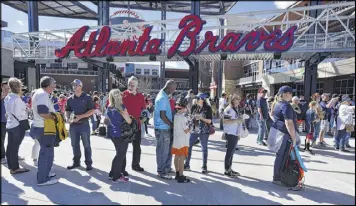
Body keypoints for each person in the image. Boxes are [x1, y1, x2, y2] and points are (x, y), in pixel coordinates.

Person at [30, 76, 58, 186]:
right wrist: (56, 117)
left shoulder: (41, 93)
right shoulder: (42, 95)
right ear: (48, 86)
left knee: (48, 152)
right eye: (53, 85)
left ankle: (46, 173)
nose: (54, 87)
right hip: (43, 128)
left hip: (41, 127)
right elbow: (43, 113)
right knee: (46, 153)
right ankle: (43, 179)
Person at [66, 79, 95, 171]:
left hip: (84, 124)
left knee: (86, 145)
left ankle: (88, 163)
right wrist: (68, 118)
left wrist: (80, 116)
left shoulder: (87, 97)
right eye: (73, 85)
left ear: (81, 86)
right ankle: (76, 162)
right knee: (74, 144)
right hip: (73, 125)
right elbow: (68, 110)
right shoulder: (70, 99)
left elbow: (91, 110)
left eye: (76, 85)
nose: (74, 87)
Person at [270, 86, 297, 186]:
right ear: (285, 94)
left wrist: (277, 123)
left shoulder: (277, 103)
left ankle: (277, 177)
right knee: (282, 156)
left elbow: (272, 114)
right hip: (284, 134)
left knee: (280, 156)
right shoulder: (286, 106)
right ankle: (277, 178)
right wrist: (294, 137)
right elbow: (289, 122)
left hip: (278, 132)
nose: (292, 95)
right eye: (291, 93)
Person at [105, 89, 132, 183]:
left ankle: (112, 174)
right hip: (122, 135)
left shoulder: (109, 107)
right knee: (120, 155)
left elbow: (107, 120)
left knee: (118, 154)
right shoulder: (121, 107)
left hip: (113, 134)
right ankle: (116, 176)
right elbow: (129, 121)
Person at [4, 78, 30, 175]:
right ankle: (15, 168)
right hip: (18, 125)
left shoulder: (8, 97)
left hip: (10, 124)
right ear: (18, 87)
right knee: (15, 147)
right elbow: (20, 114)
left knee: (10, 146)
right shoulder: (17, 99)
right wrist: (27, 110)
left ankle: (11, 166)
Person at [122, 76, 147, 172]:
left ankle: (135, 165)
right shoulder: (123, 95)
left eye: (132, 85)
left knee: (137, 147)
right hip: (125, 126)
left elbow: (144, 111)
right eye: (129, 84)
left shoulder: (141, 96)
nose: (130, 86)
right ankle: (122, 168)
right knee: (123, 148)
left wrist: (142, 120)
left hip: (137, 126)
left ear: (136, 86)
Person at [184, 93, 213, 174]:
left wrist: (201, 118)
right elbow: (191, 117)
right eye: (196, 98)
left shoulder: (208, 108)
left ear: (202, 99)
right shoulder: (194, 107)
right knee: (189, 146)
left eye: (198, 98)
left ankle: (204, 166)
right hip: (194, 130)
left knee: (204, 148)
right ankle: (187, 164)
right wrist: (190, 117)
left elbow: (210, 121)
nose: (196, 99)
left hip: (204, 131)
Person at [154, 80, 177, 180]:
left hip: (164, 128)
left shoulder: (163, 95)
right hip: (163, 128)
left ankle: (166, 167)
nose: (174, 91)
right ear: (169, 88)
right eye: (173, 89)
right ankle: (162, 171)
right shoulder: (162, 98)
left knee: (166, 150)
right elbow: (162, 116)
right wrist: (172, 126)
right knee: (163, 150)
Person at [223, 94, 243, 177]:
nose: (238, 101)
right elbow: (225, 120)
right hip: (230, 133)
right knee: (229, 152)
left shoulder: (235, 109)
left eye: (238, 99)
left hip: (234, 133)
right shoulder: (228, 109)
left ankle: (230, 168)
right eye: (236, 99)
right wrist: (237, 120)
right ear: (232, 100)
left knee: (232, 152)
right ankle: (227, 170)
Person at [171, 97, 191, 183]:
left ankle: (177, 173)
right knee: (182, 158)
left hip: (176, 140)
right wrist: (192, 125)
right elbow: (186, 130)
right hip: (183, 140)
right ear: (183, 108)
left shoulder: (175, 116)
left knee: (177, 156)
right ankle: (181, 176)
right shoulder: (183, 118)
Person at [1, 81, 10, 164]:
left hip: (11, 121)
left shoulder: (11, 96)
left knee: (14, 140)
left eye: (8, 88)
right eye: (5, 88)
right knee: (2, 139)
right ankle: (2, 157)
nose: (6, 90)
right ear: (1, 87)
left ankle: (13, 155)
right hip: (2, 121)